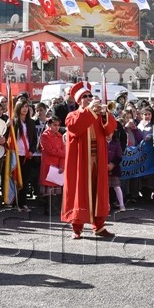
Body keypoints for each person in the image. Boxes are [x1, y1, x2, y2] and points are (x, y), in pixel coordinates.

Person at [61, 81, 117, 240]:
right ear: (79, 101)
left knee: (98, 192)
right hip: (81, 161)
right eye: (85, 96)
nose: (89, 98)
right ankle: (77, 228)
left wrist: (106, 115)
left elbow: (110, 129)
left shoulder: (98, 115)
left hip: (97, 159)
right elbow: (75, 127)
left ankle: (99, 227)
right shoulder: (72, 115)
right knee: (79, 191)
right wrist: (91, 111)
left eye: (90, 96)